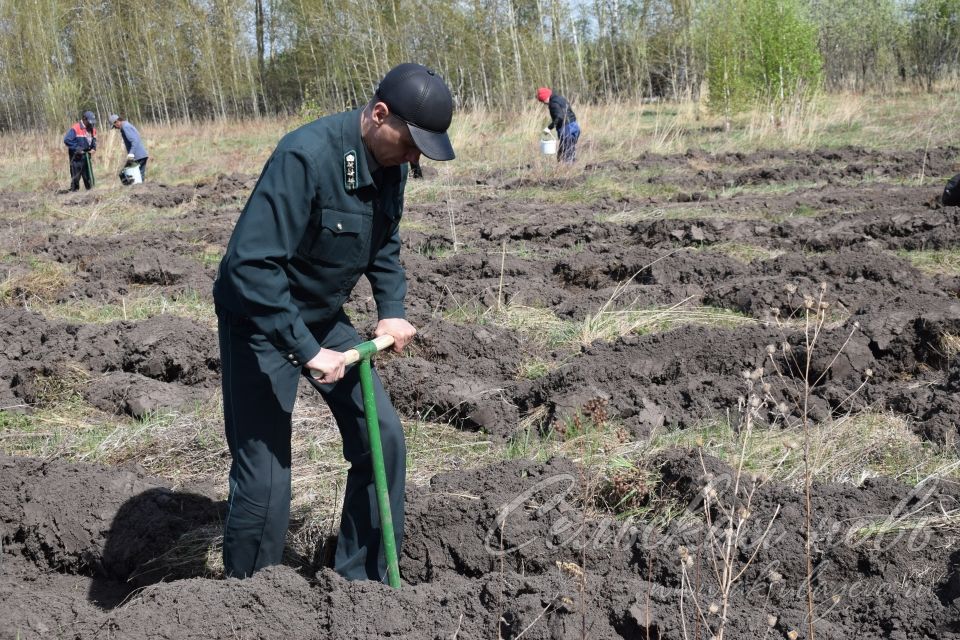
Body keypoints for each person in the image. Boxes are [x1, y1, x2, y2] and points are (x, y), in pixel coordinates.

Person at [212, 62, 455, 582]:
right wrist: (307, 349)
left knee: (383, 439)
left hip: (319, 313)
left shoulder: (390, 165)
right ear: (379, 114)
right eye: (412, 144)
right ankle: (248, 603)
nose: (416, 159)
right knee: (267, 481)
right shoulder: (305, 155)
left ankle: (357, 586)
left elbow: (383, 242)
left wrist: (391, 308)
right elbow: (250, 265)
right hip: (258, 318)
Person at [536, 87, 580, 163]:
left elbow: (559, 117)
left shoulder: (552, 104)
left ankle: (567, 170)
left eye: (543, 101)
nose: (544, 103)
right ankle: (571, 166)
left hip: (566, 128)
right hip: (574, 125)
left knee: (565, 154)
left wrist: (549, 128)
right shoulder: (560, 98)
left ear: (545, 98)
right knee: (569, 149)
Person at [108, 114, 149, 181]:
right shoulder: (127, 125)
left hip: (138, 156)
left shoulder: (125, 127)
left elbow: (134, 141)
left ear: (117, 121)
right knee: (139, 177)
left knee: (132, 177)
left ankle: (138, 190)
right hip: (141, 155)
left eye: (114, 126)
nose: (115, 128)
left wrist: (131, 153)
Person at [63, 111, 97, 191]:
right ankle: (73, 197)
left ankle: (91, 195)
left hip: (86, 158)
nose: (91, 124)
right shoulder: (76, 128)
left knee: (89, 180)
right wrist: (78, 149)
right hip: (76, 159)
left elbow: (94, 139)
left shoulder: (92, 129)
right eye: (89, 121)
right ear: (84, 119)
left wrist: (94, 148)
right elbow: (67, 140)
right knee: (75, 180)